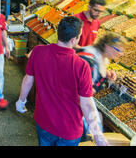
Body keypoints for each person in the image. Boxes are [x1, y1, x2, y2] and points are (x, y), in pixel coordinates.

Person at [16, 16, 108, 146]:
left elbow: (28, 80)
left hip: (43, 122)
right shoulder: (81, 66)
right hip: (69, 130)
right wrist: (97, 135)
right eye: (80, 35)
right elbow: (86, 104)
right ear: (73, 39)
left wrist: (21, 101)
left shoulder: (38, 51)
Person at [76, 33, 123, 141]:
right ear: (107, 47)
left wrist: (105, 76)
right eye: (118, 50)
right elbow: (84, 93)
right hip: (73, 109)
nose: (120, 54)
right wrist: (97, 134)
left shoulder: (100, 58)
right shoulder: (89, 59)